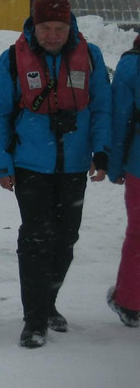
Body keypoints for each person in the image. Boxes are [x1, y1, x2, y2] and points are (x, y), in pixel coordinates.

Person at [0, 0, 111, 348]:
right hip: (30, 165)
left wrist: (101, 153)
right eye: (46, 27)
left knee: (66, 239)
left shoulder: (90, 57)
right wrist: (1, 165)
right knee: (37, 239)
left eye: (59, 27)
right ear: (34, 27)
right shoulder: (13, 59)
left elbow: (101, 107)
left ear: (69, 26)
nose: (53, 34)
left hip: (73, 166)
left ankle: (49, 300)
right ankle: (34, 319)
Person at [107, 32, 140, 327]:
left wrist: (115, 166)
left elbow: (120, 119)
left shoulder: (132, 65)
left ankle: (130, 302)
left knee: (139, 236)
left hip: (138, 164)